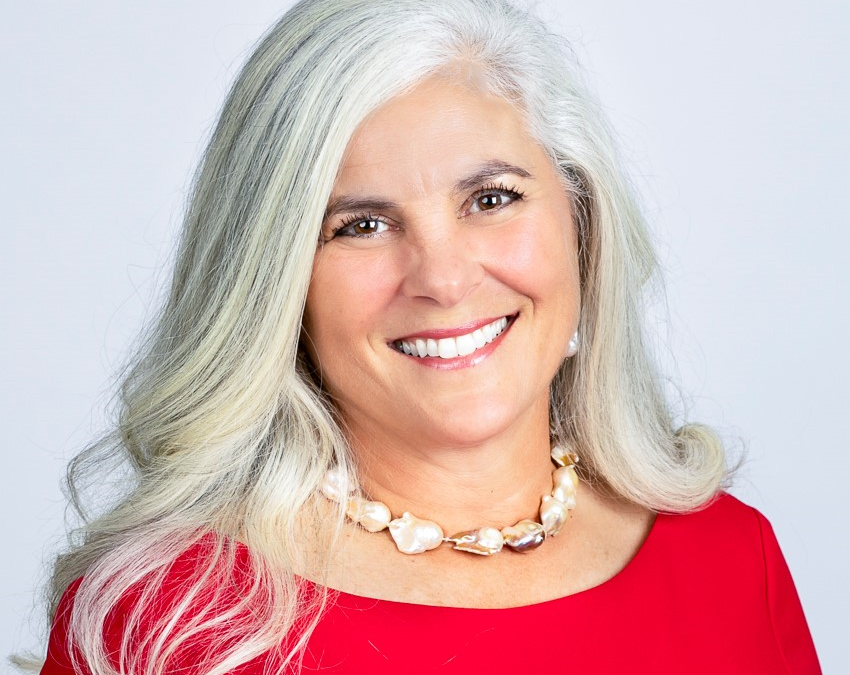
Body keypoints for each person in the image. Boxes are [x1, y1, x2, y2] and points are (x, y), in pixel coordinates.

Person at [30, 0, 820, 673]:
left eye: (491, 199)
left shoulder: (730, 560)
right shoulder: (165, 618)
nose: (442, 278)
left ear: (581, 221)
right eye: (361, 225)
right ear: (276, 282)